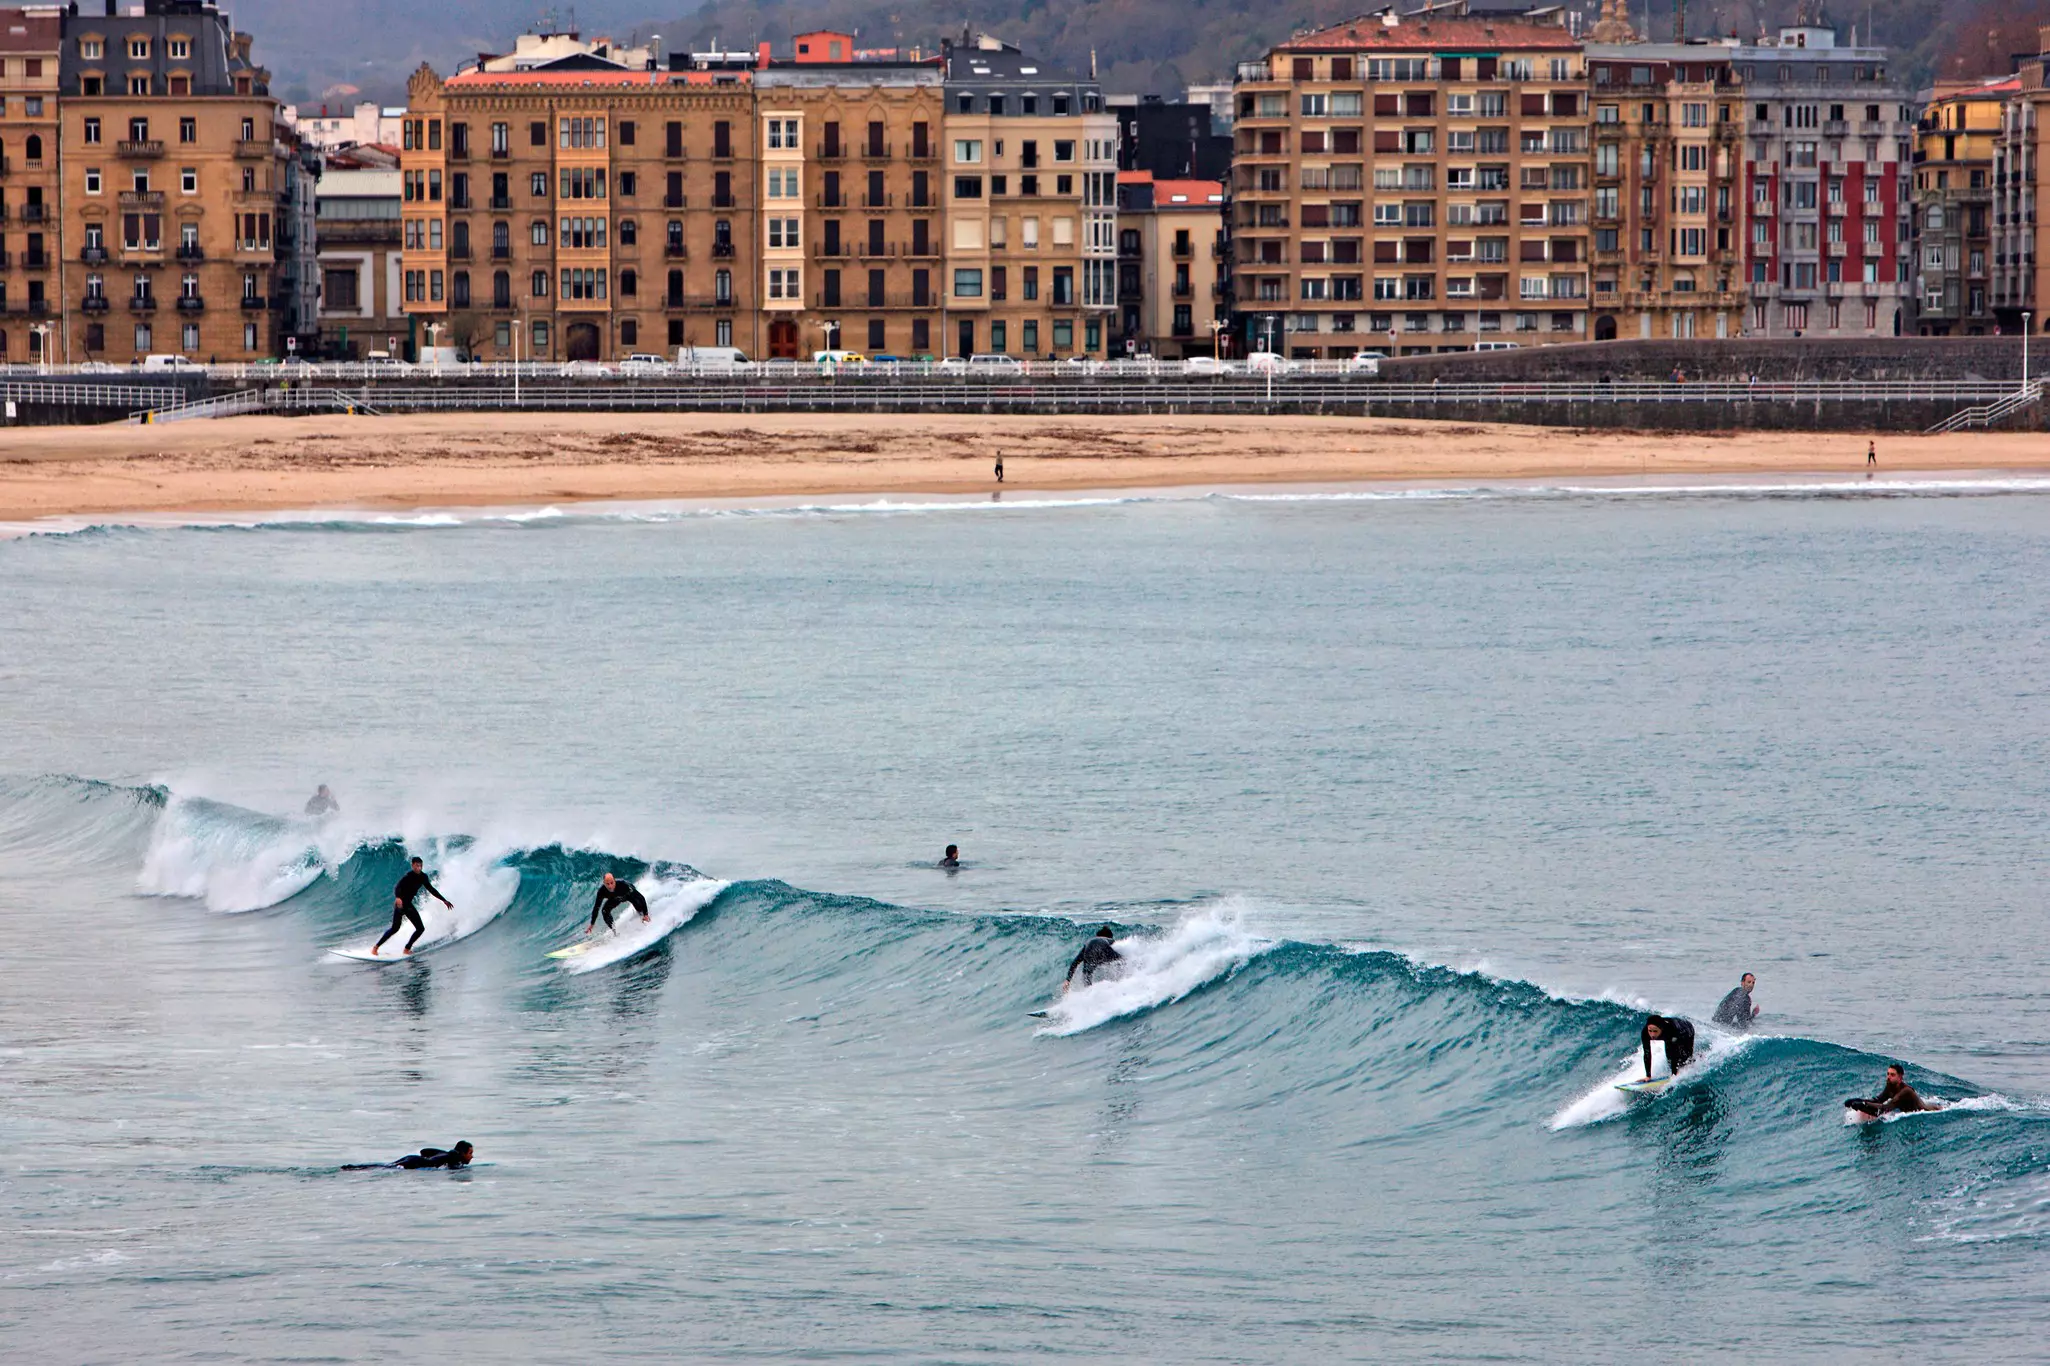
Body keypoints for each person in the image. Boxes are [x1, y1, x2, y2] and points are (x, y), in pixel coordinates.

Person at [371, 856, 453, 957]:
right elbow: (397, 887)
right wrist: (398, 898)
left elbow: (431, 890)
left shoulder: (423, 877)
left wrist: (443, 900)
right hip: (400, 905)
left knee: (420, 928)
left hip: (408, 905)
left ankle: (407, 949)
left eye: (421, 866)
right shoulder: (408, 876)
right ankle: (375, 947)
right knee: (395, 928)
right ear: (412, 865)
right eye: (417, 866)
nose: (419, 868)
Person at [1845, 1064, 1939, 1117]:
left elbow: (1886, 1108)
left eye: (1892, 1075)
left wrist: (1863, 1105)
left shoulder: (1906, 1091)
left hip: (1929, 1113)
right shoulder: (1890, 1086)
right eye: (1888, 1074)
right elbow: (1877, 1100)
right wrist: (1858, 1100)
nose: (1888, 1077)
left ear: (1900, 1077)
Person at [586, 871, 650, 935]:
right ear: (604, 883)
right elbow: (596, 907)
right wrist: (592, 924)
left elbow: (641, 897)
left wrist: (646, 914)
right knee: (604, 911)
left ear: (614, 881)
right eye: (607, 884)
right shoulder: (601, 891)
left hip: (628, 895)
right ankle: (615, 932)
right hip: (615, 898)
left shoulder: (623, 885)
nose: (610, 886)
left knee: (639, 910)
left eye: (611, 883)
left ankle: (645, 919)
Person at [1063, 926, 1123, 994]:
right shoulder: (1110, 940)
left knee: (1086, 975)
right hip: (1104, 949)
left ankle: (1089, 994)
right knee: (1122, 961)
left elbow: (1075, 962)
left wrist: (1068, 980)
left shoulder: (1090, 941)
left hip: (1089, 953)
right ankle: (1123, 982)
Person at [344, 1141, 475, 1171]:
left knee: (385, 1166)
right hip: (415, 1163)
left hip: (412, 1158)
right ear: (462, 1153)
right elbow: (454, 1169)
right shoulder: (454, 1158)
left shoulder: (447, 1154)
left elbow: (425, 1151)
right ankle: (353, 1168)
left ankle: (353, 1167)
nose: (472, 1157)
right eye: (470, 1153)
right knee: (385, 1168)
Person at [1639, 1014, 1696, 1080]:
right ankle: (1675, 1072)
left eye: (1655, 1031)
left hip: (1686, 1030)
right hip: (1670, 1035)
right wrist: (1648, 1076)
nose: (1652, 1035)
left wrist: (1674, 1075)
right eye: (1650, 1031)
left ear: (1661, 1029)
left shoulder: (1671, 1030)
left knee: (1685, 1059)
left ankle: (1695, 1061)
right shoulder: (1645, 1033)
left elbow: (1675, 1052)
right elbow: (1647, 1053)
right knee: (1669, 1059)